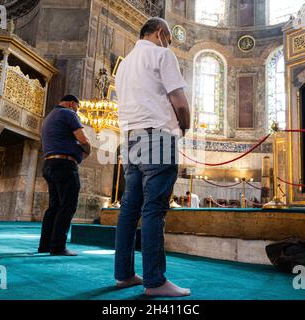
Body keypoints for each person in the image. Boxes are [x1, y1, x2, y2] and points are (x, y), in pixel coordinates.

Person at [114, 17, 191, 297]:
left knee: (129, 210)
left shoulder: (123, 65)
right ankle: (155, 281)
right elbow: (179, 101)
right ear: (160, 33)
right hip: (158, 135)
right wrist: (185, 124)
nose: (168, 43)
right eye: (168, 38)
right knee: (154, 209)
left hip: (130, 138)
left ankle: (124, 274)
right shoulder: (162, 53)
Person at [38, 95, 91, 256]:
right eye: (77, 108)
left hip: (49, 164)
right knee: (68, 204)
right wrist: (87, 149)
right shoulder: (68, 113)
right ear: (71, 103)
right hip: (64, 165)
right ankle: (58, 246)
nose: (77, 111)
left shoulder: (49, 117)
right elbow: (82, 139)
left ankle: (45, 245)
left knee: (54, 206)